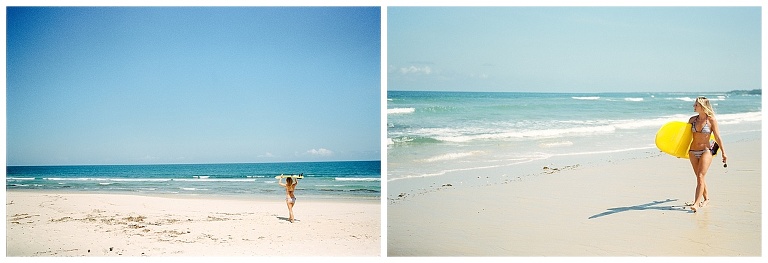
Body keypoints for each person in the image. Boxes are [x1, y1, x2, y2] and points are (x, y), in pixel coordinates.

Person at [687, 97, 727, 212]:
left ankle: (696, 203)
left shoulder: (711, 120)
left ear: (702, 107)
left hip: (706, 151)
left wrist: (724, 153)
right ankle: (706, 198)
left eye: (696, 105)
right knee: (700, 177)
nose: (694, 107)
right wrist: (678, 150)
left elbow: (718, 137)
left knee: (700, 176)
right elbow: (684, 137)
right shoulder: (692, 120)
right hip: (693, 152)